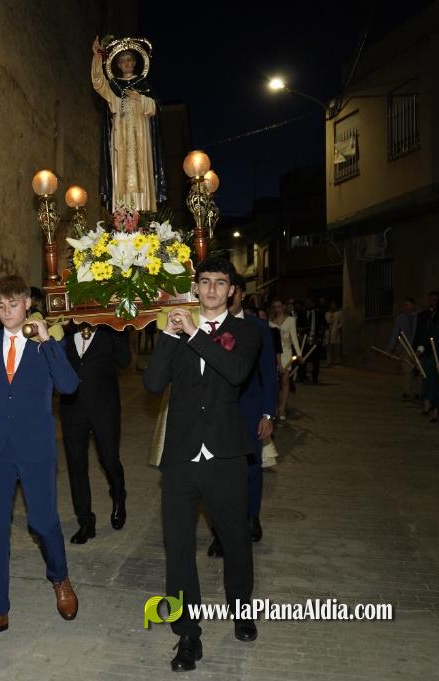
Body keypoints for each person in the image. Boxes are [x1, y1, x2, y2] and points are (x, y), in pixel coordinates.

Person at [143, 257, 262, 672]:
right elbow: (153, 384)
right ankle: (187, 635)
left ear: (231, 290)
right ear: (195, 288)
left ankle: (241, 607)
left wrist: (194, 334)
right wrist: (172, 336)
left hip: (226, 456)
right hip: (180, 457)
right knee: (177, 548)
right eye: (205, 282)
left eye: (220, 283)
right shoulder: (176, 333)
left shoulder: (246, 331)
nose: (211, 289)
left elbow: (234, 372)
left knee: (235, 540)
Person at [0, 275, 80, 644]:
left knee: (43, 523)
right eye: (0, 306)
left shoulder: (46, 344)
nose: (7, 312)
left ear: (28, 303)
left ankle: (59, 577)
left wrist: (46, 340)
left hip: (35, 448)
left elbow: (69, 386)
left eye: (13, 304)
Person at [208, 274, 277, 557]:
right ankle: (220, 533)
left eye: (230, 288)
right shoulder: (209, 325)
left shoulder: (259, 327)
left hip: (250, 408)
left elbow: (269, 375)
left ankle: (252, 517)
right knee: (216, 473)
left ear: (239, 293)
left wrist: (268, 415)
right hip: (218, 411)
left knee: (250, 469)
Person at [59, 324, 131, 544]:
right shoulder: (65, 331)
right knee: (77, 465)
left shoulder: (110, 331)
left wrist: (118, 327)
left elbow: (125, 361)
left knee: (109, 460)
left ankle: (118, 495)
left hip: (104, 408)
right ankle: (85, 522)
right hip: (73, 408)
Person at [91, 36, 166, 212]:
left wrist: (139, 98)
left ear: (135, 63)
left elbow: (156, 107)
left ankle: (144, 210)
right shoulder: (114, 87)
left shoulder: (144, 85)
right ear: (117, 65)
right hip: (120, 135)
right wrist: (96, 57)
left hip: (140, 134)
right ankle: (123, 213)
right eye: (122, 61)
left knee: (141, 168)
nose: (126, 63)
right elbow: (98, 84)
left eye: (129, 60)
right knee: (122, 168)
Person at [269, 299, 301, 419]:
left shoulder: (291, 320)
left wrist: (299, 353)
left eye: (279, 306)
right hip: (273, 354)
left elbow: (294, 338)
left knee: (285, 381)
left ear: (283, 307)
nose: (277, 309)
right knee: (274, 382)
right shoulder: (270, 322)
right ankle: (275, 406)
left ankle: (282, 409)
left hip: (286, 354)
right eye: (275, 306)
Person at [387, 299, 420, 400]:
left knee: (418, 370)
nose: (405, 307)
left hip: (417, 347)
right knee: (406, 369)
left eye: (407, 305)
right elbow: (395, 333)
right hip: (405, 347)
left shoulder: (419, 317)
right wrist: (391, 347)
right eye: (404, 305)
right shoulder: (400, 318)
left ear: (413, 306)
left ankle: (417, 391)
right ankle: (406, 391)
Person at [325, 301, 343, 366]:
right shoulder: (327, 313)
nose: (333, 307)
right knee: (329, 348)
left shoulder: (339, 313)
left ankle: (337, 361)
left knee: (336, 347)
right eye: (332, 305)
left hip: (336, 332)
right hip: (328, 332)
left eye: (334, 305)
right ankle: (329, 361)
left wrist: (338, 328)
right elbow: (326, 321)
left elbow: (341, 322)